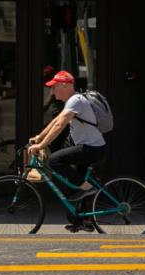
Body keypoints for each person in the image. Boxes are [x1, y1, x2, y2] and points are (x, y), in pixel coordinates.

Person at [27, 69, 106, 231]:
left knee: (54, 161)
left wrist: (41, 146)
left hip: (91, 148)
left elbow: (59, 125)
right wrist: (40, 137)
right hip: (87, 147)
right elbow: (56, 120)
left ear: (64, 85)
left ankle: (88, 188)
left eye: (54, 87)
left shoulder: (75, 100)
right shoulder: (72, 101)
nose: (52, 90)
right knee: (75, 186)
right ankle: (84, 221)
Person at [41, 65, 69, 153]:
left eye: (45, 78)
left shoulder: (55, 87)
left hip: (59, 118)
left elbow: (46, 105)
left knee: (54, 146)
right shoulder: (58, 84)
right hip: (62, 118)